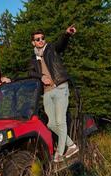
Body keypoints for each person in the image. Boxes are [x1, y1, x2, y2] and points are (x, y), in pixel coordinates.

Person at [28, 25, 79, 162]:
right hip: (47, 93)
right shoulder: (34, 59)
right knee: (51, 124)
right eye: (37, 39)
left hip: (60, 87)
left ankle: (60, 153)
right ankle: (71, 145)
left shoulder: (51, 49)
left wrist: (66, 34)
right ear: (33, 42)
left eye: (42, 38)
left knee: (61, 121)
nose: (41, 41)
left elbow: (61, 44)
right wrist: (41, 77)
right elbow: (30, 72)